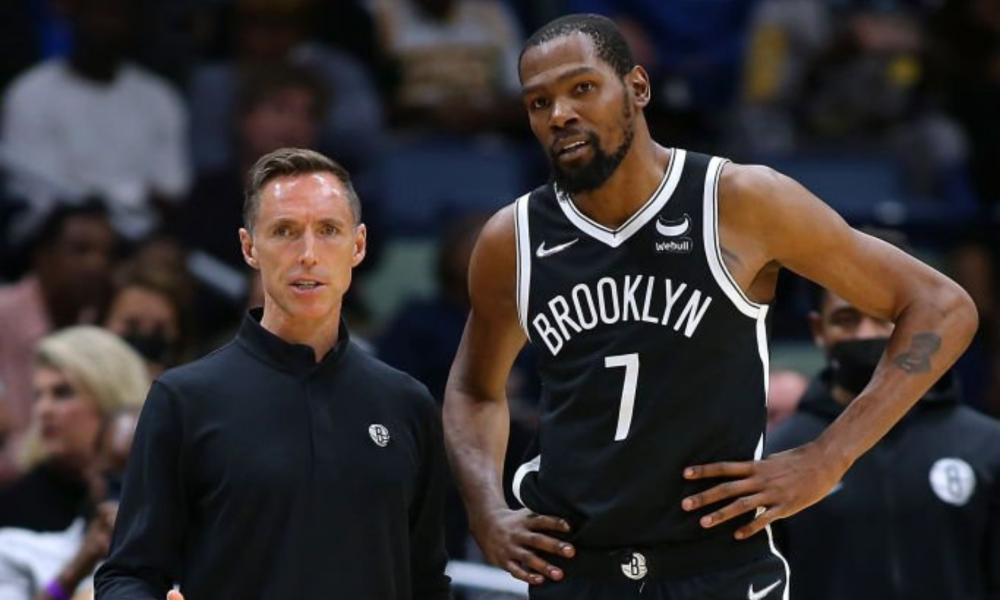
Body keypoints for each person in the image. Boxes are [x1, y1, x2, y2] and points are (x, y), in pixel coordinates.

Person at [442, 13, 977, 600]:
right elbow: (473, 391)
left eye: (582, 88)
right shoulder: (510, 241)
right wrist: (487, 510)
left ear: (638, 88)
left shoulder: (740, 202)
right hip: (575, 569)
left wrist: (829, 456)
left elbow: (941, 306)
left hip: (716, 568)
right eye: (538, 102)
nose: (560, 113)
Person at [94, 148, 451, 600]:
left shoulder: (407, 403)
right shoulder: (184, 400)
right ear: (249, 247)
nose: (307, 254)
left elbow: (427, 583)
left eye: (328, 231)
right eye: (284, 232)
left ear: (358, 245)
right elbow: (128, 575)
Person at [765, 263, 1000, 600]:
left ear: (918, 324)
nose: (865, 335)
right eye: (847, 319)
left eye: (881, 318)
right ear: (818, 330)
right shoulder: (778, 456)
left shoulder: (989, 446)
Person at [0, 202, 118, 482]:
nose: (97, 264)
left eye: (107, 254)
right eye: (81, 250)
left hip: (70, 482)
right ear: (43, 257)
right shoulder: (3, 315)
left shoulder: (103, 325)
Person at [0, 326, 149, 533]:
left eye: (63, 393)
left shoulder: (156, 490)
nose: (44, 409)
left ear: (110, 398)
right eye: (38, 396)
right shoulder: (10, 510)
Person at [0, 407, 142, 600]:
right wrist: (75, 571)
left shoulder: (188, 564)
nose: (125, 497)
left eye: (139, 483)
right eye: (114, 480)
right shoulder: (19, 551)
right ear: (91, 472)